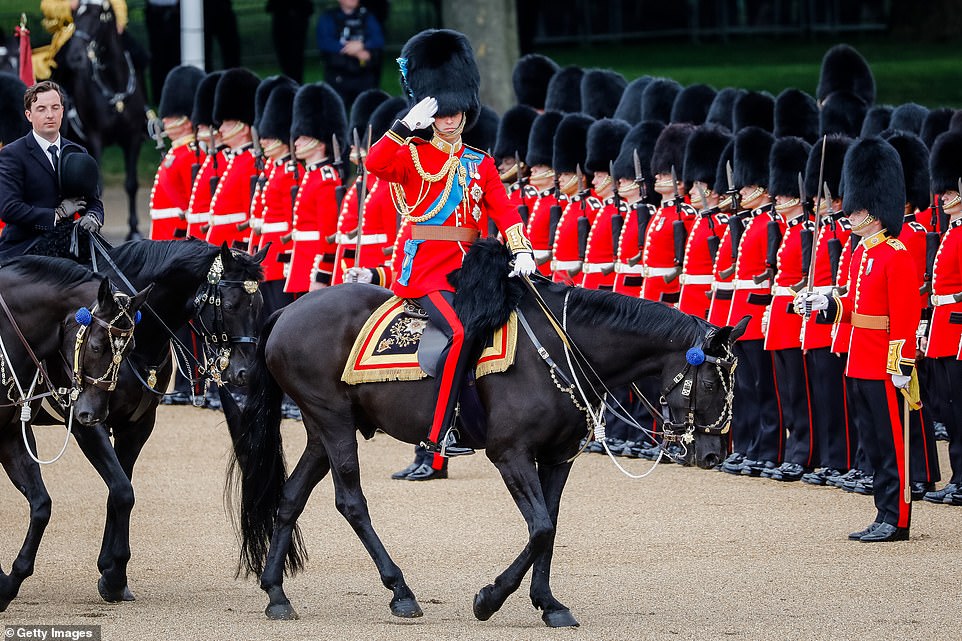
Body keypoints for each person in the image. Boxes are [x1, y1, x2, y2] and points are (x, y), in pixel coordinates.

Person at [363, 29, 536, 470]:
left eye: (457, 111)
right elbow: (375, 163)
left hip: (475, 269)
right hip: (429, 272)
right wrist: (404, 127)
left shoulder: (480, 162)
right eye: (442, 112)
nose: (451, 119)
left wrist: (521, 248)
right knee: (458, 333)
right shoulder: (412, 154)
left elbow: (504, 209)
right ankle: (438, 435)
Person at [797, 136, 919, 542]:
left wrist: (902, 365)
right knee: (872, 440)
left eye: (860, 208)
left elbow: (904, 316)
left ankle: (897, 518)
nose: (852, 214)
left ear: (877, 211)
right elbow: (851, 306)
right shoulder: (858, 253)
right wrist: (822, 304)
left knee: (891, 443)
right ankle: (882, 512)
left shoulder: (896, 254)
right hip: (858, 358)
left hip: (884, 362)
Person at [0, 80, 104, 260]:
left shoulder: (78, 152)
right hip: (24, 249)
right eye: (41, 109)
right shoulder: (12, 154)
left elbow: (93, 201)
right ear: (28, 115)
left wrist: (94, 217)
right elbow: (9, 208)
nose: (50, 115)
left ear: (62, 112)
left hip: (71, 246)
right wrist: (56, 215)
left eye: (55, 107)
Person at [316, 0, 384, 108]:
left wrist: (363, 45)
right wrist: (352, 50)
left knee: (368, 108)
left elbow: (378, 39)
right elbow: (324, 42)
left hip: (364, 74)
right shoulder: (328, 17)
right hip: (337, 74)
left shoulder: (367, 16)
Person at [267, 0, 313, 83]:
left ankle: (294, 83)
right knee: (287, 57)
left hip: (293, 17)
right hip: (285, 16)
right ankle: (292, 82)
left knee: (293, 57)